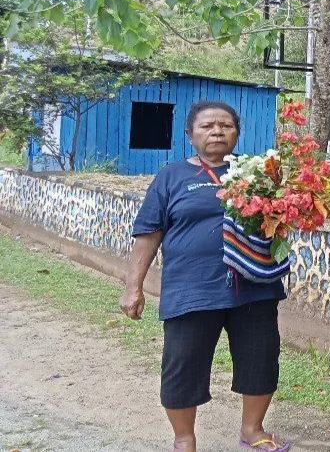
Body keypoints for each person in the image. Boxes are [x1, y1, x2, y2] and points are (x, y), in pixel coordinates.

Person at [120, 101, 290, 452]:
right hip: (191, 290)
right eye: (207, 126)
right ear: (190, 134)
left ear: (237, 133)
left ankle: (252, 429)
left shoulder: (259, 174)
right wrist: (133, 286)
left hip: (254, 286)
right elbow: (149, 232)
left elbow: (285, 218)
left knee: (260, 358)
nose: (217, 131)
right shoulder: (172, 175)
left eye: (226, 125)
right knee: (182, 365)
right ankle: (184, 438)